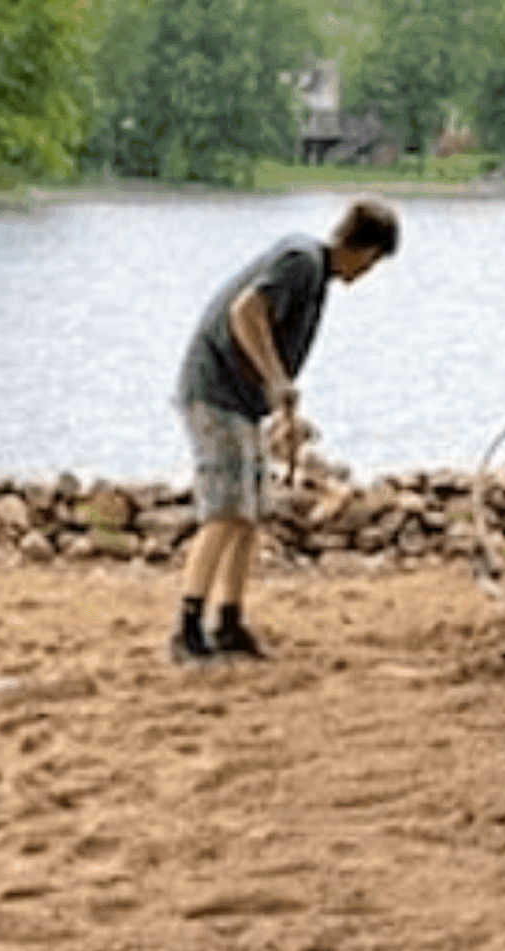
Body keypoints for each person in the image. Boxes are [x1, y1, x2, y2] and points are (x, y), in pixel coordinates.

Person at [171, 198, 399, 665]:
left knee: (251, 512)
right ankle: (187, 629)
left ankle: (229, 621)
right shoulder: (303, 261)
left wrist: (277, 404)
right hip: (214, 392)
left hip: (241, 402)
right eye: (374, 262)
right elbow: (246, 312)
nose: (369, 273)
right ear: (366, 250)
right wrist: (277, 382)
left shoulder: (316, 274)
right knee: (226, 509)